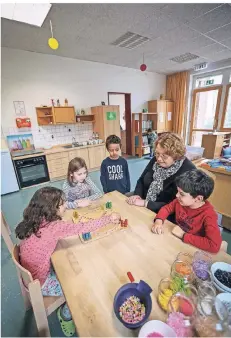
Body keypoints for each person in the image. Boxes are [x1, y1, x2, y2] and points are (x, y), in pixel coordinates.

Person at [15, 187, 118, 337]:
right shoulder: (54, 227)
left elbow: (58, 231)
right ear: (52, 210)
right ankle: (65, 315)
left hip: (31, 276)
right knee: (79, 287)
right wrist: (109, 218)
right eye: (63, 204)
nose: (66, 205)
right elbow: (82, 228)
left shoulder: (36, 218)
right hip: (40, 283)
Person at [152, 169, 222, 253]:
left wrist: (183, 235)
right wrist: (159, 221)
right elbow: (166, 208)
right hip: (176, 241)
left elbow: (214, 245)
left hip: (193, 249)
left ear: (198, 198)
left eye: (181, 194)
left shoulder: (209, 215)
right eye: (178, 191)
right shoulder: (180, 201)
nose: (177, 195)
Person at [127, 133, 195, 213]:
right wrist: (137, 195)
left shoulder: (188, 171)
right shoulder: (155, 160)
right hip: (142, 200)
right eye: (157, 153)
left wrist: (146, 203)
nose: (158, 159)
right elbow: (141, 180)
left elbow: (177, 204)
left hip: (164, 213)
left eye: (164, 156)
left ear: (176, 156)